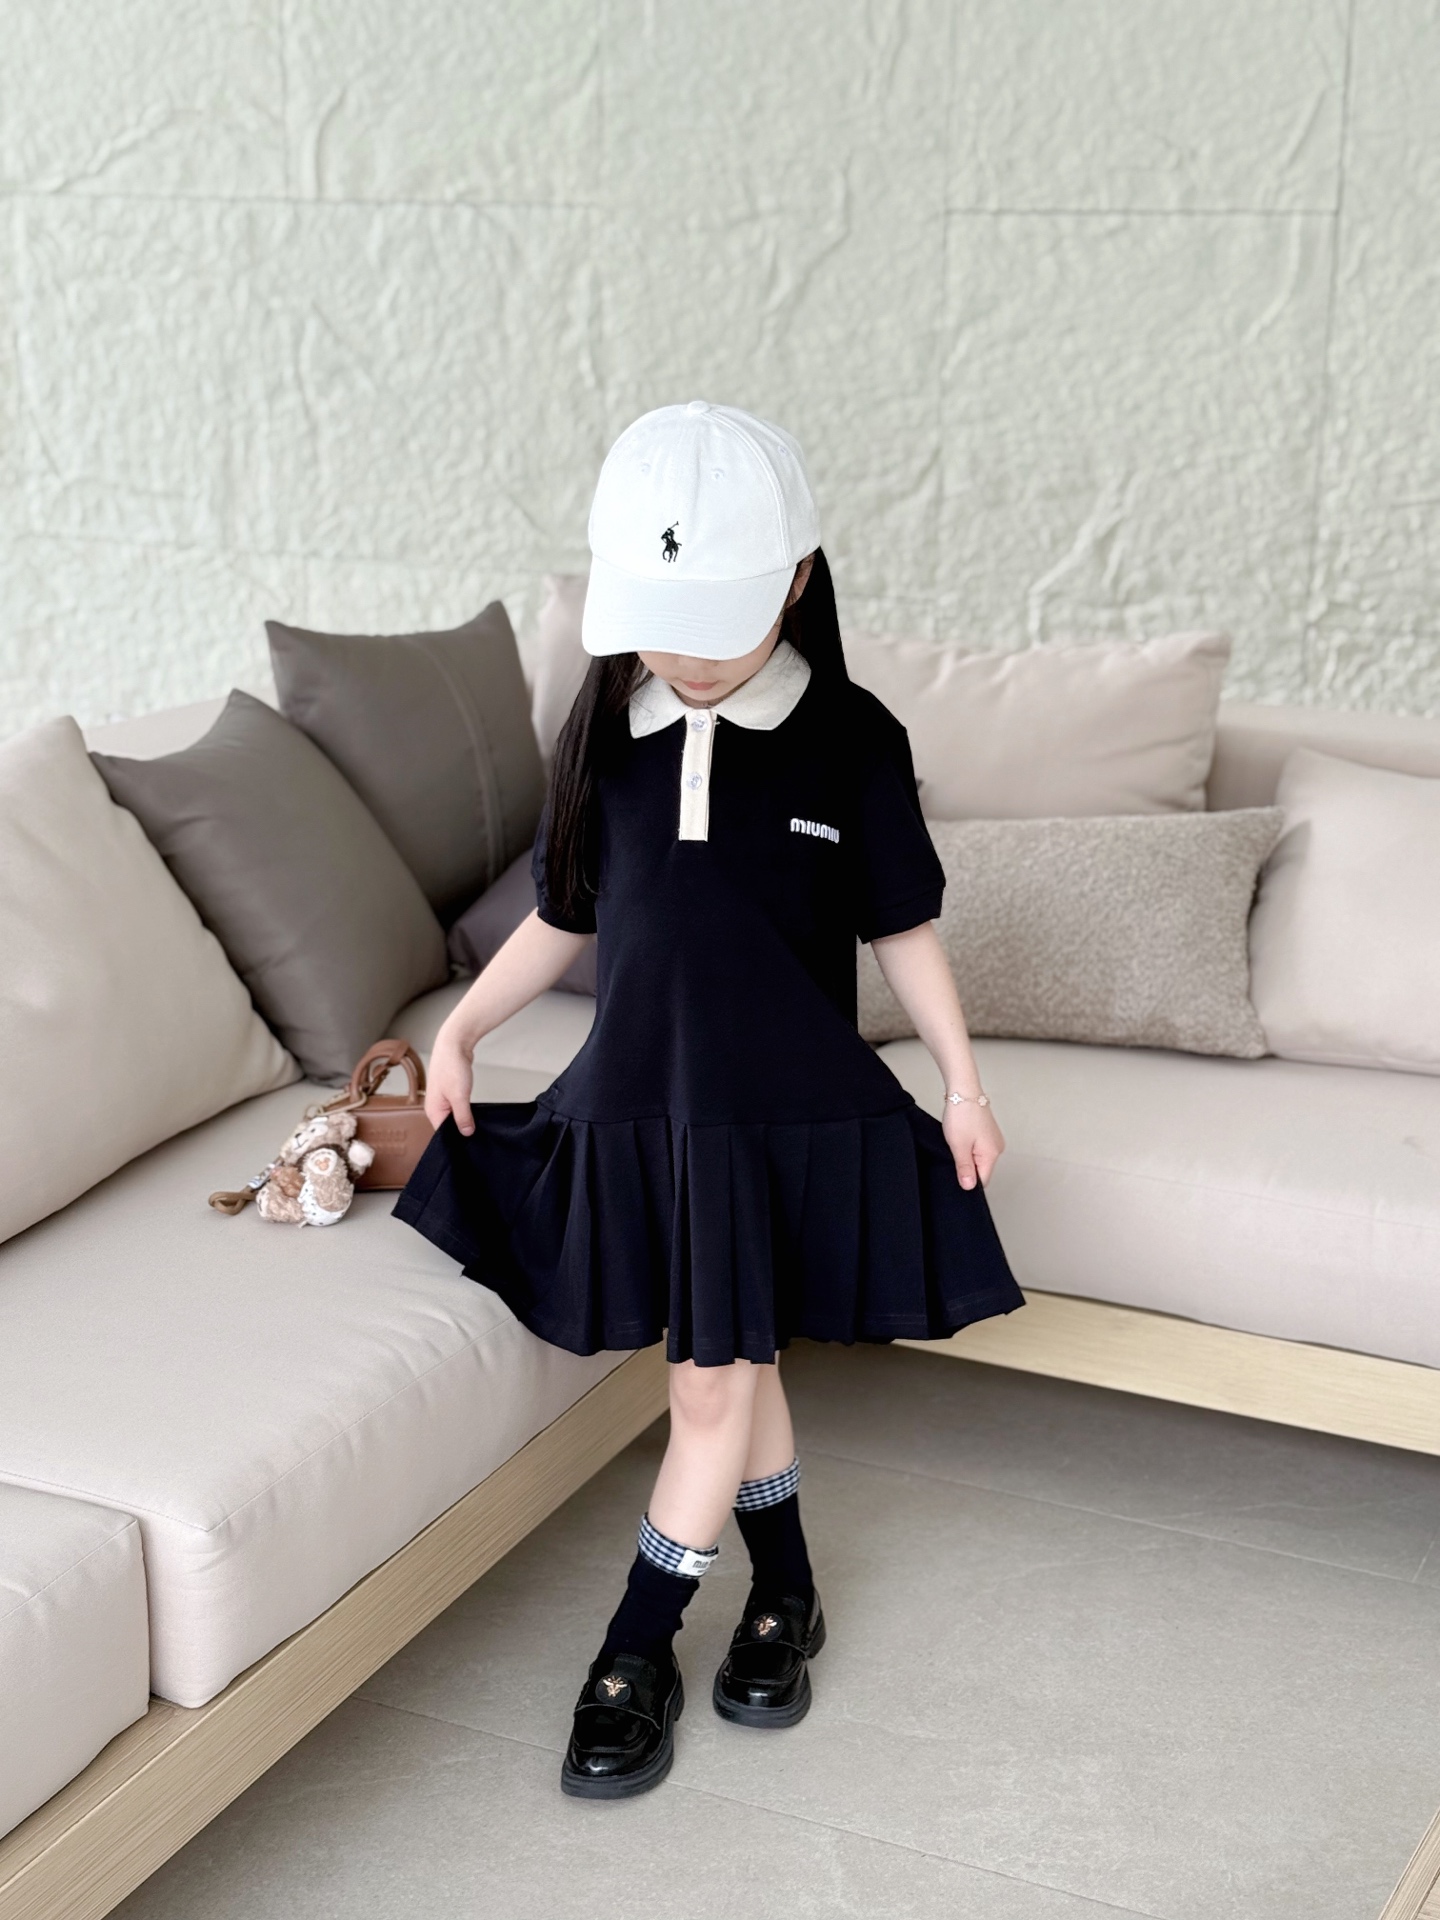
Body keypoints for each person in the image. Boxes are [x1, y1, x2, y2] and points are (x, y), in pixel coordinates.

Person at [394, 400, 1024, 1801]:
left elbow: (902, 927)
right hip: (644, 1112)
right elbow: (567, 913)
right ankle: (785, 1591)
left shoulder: (851, 737)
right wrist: (465, 1026)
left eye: (712, 624)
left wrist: (963, 1086)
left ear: (796, 581)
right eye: (659, 622)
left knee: (704, 1392)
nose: (680, 656)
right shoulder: (606, 732)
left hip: (780, 1117)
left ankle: (635, 1646)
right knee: (739, 1372)